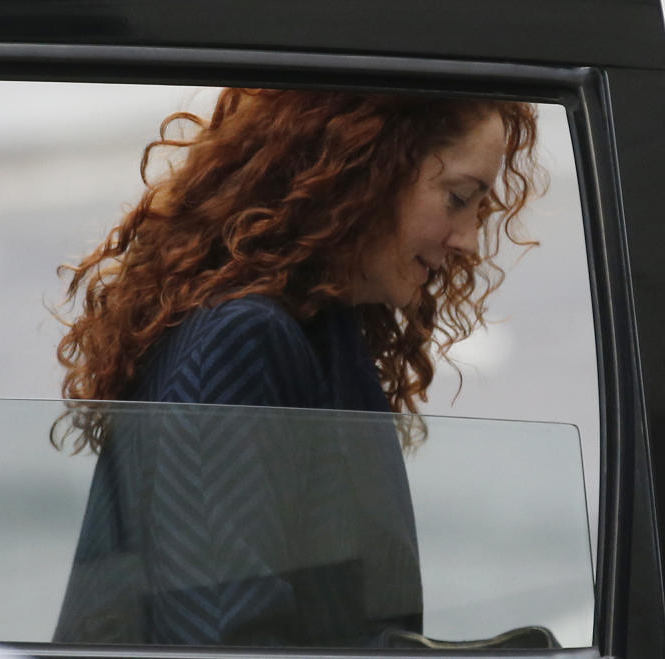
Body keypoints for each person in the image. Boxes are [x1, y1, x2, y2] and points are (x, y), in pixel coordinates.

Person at [51, 89, 540, 647]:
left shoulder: (326, 325)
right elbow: (221, 638)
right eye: (458, 197)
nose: (470, 238)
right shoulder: (242, 338)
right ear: (368, 170)